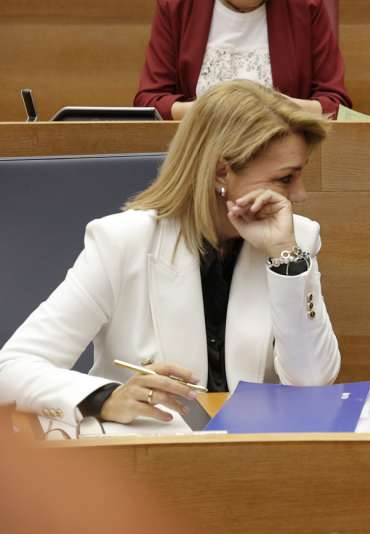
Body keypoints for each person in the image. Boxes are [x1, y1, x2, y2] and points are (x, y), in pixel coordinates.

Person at [0, 80, 341, 426]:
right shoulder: (122, 241)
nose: (299, 195)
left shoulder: (295, 237)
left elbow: (312, 382)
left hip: (253, 454)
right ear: (221, 171)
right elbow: (11, 368)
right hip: (149, 454)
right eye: (286, 178)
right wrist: (104, 398)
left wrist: (285, 258)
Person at [134, 0, 351, 120]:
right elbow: (150, 102)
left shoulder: (306, 6)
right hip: (198, 158)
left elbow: (335, 106)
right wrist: (214, 110)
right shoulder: (177, 6)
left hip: (284, 159)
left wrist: (275, 107)